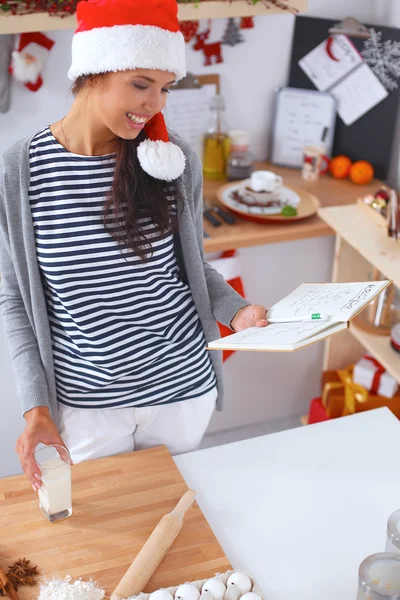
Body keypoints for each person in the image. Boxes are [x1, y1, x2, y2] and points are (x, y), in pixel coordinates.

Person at [0, 0, 267, 493]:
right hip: (88, 405)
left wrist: (239, 310)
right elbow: (15, 299)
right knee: (112, 533)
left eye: (165, 88)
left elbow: (192, 270)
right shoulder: (21, 171)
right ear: (93, 71)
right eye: (141, 84)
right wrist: (35, 404)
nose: (156, 104)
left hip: (182, 389)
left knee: (180, 522)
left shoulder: (171, 159)